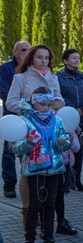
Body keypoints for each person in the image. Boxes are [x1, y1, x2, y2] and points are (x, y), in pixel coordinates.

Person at [6, 45, 65, 228]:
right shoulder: (20, 77)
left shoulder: (53, 77)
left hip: (49, 129)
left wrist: (53, 104)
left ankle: (44, 211)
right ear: (31, 59)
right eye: (40, 57)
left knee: (48, 170)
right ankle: (27, 211)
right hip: (27, 129)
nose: (44, 61)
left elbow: (60, 100)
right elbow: (10, 102)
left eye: (47, 58)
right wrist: (32, 107)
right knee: (27, 171)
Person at [13, 87, 71, 243]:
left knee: (50, 204)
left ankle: (48, 239)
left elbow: (66, 141)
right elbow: (17, 147)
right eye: (43, 104)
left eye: (49, 105)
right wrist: (29, 144)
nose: (46, 108)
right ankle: (29, 240)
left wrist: (62, 143)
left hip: (53, 169)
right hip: (34, 169)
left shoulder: (57, 121)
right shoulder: (25, 121)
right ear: (34, 103)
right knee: (34, 205)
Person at [56, 49, 83, 192]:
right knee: (64, 149)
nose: (77, 60)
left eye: (78, 57)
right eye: (74, 58)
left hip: (81, 118)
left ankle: (77, 179)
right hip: (65, 118)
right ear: (65, 61)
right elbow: (58, 96)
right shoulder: (58, 77)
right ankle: (64, 180)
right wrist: (71, 110)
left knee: (79, 150)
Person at [1, 40, 30, 198]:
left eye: (29, 50)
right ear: (14, 51)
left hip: (31, 117)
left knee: (29, 150)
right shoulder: (5, 69)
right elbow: (4, 92)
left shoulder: (30, 69)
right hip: (11, 116)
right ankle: (9, 184)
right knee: (9, 151)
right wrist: (26, 103)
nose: (26, 52)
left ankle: (30, 180)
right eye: (23, 49)